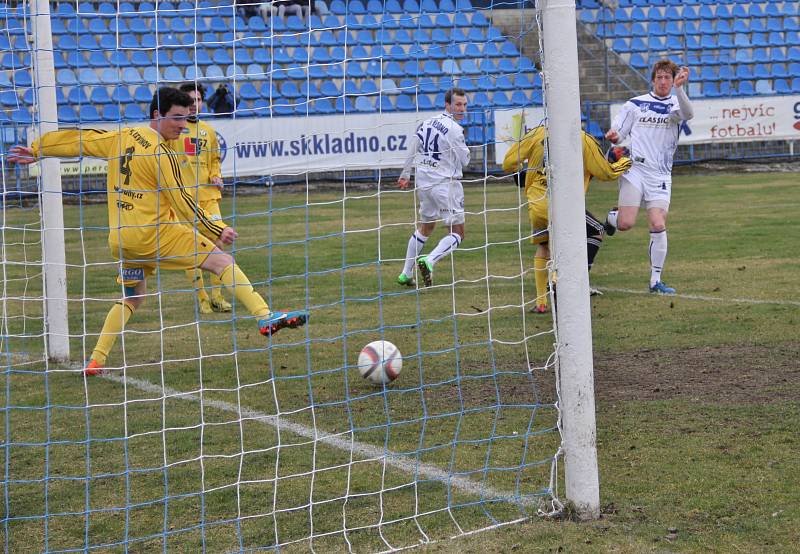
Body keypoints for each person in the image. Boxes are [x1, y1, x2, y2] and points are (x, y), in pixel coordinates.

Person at [8, 87, 307, 376]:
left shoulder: (122, 136)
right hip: (158, 235)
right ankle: (264, 315)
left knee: (132, 299)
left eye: (186, 117)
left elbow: (82, 139)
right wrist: (217, 227)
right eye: (177, 118)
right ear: (157, 115)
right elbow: (184, 202)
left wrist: (38, 149)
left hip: (124, 241)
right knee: (222, 262)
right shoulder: (161, 154)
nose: (182, 125)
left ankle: (96, 360)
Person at [503, 125, 632, 313]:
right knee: (596, 231)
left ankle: (541, 303)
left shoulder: (538, 132)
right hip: (562, 206)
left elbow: (508, 163)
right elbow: (605, 173)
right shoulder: (584, 139)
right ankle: (559, 283)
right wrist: (625, 162)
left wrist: (523, 172)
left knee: (544, 246)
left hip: (537, 204)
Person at [604, 59, 693, 295]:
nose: (663, 82)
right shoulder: (635, 104)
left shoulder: (675, 103)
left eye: (668, 78)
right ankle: (612, 217)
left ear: (672, 80)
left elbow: (689, 113)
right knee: (626, 224)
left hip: (661, 174)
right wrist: (614, 136)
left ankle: (655, 281)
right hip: (635, 170)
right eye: (660, 77)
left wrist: (680, 88)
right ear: (653, 79)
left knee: (657, 223)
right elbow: (619, 132)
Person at [396, 88, 470, 288]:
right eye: (458, 104)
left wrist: (405, 175)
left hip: (424, 183)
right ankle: (430, 260)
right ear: (447, 105)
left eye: (464, 105)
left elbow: (413, 147)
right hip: (446, 184)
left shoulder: (427, 122)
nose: (462, 108)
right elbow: (465, 161)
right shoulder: (455, 130)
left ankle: (405, 273)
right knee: (458, 232)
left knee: (426, 227)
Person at [172, 82, 231, 315]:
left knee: (219, 242)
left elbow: (215, 160)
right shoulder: (175, 129)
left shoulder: (208, 130)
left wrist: (216, 175)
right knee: (193, 249)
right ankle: (202, 298)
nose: (194, 105)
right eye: (189, 100)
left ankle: (217, 296)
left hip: (208, 196)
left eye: (197, 100)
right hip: (184, 199)